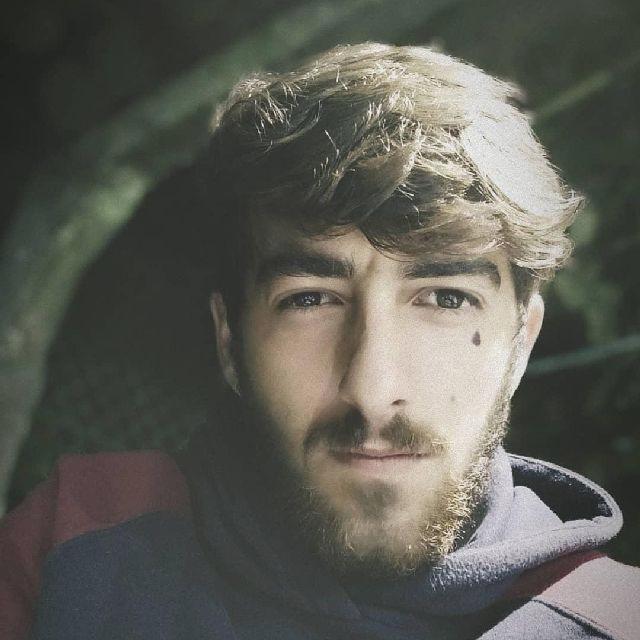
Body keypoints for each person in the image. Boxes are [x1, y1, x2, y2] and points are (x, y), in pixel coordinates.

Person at [1, 42, 638, 640]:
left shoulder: (616, 620)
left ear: (521, 342)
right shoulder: (76, 546)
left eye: (446, 299)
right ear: (229, 340)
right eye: (310, 300)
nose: (371, 389)